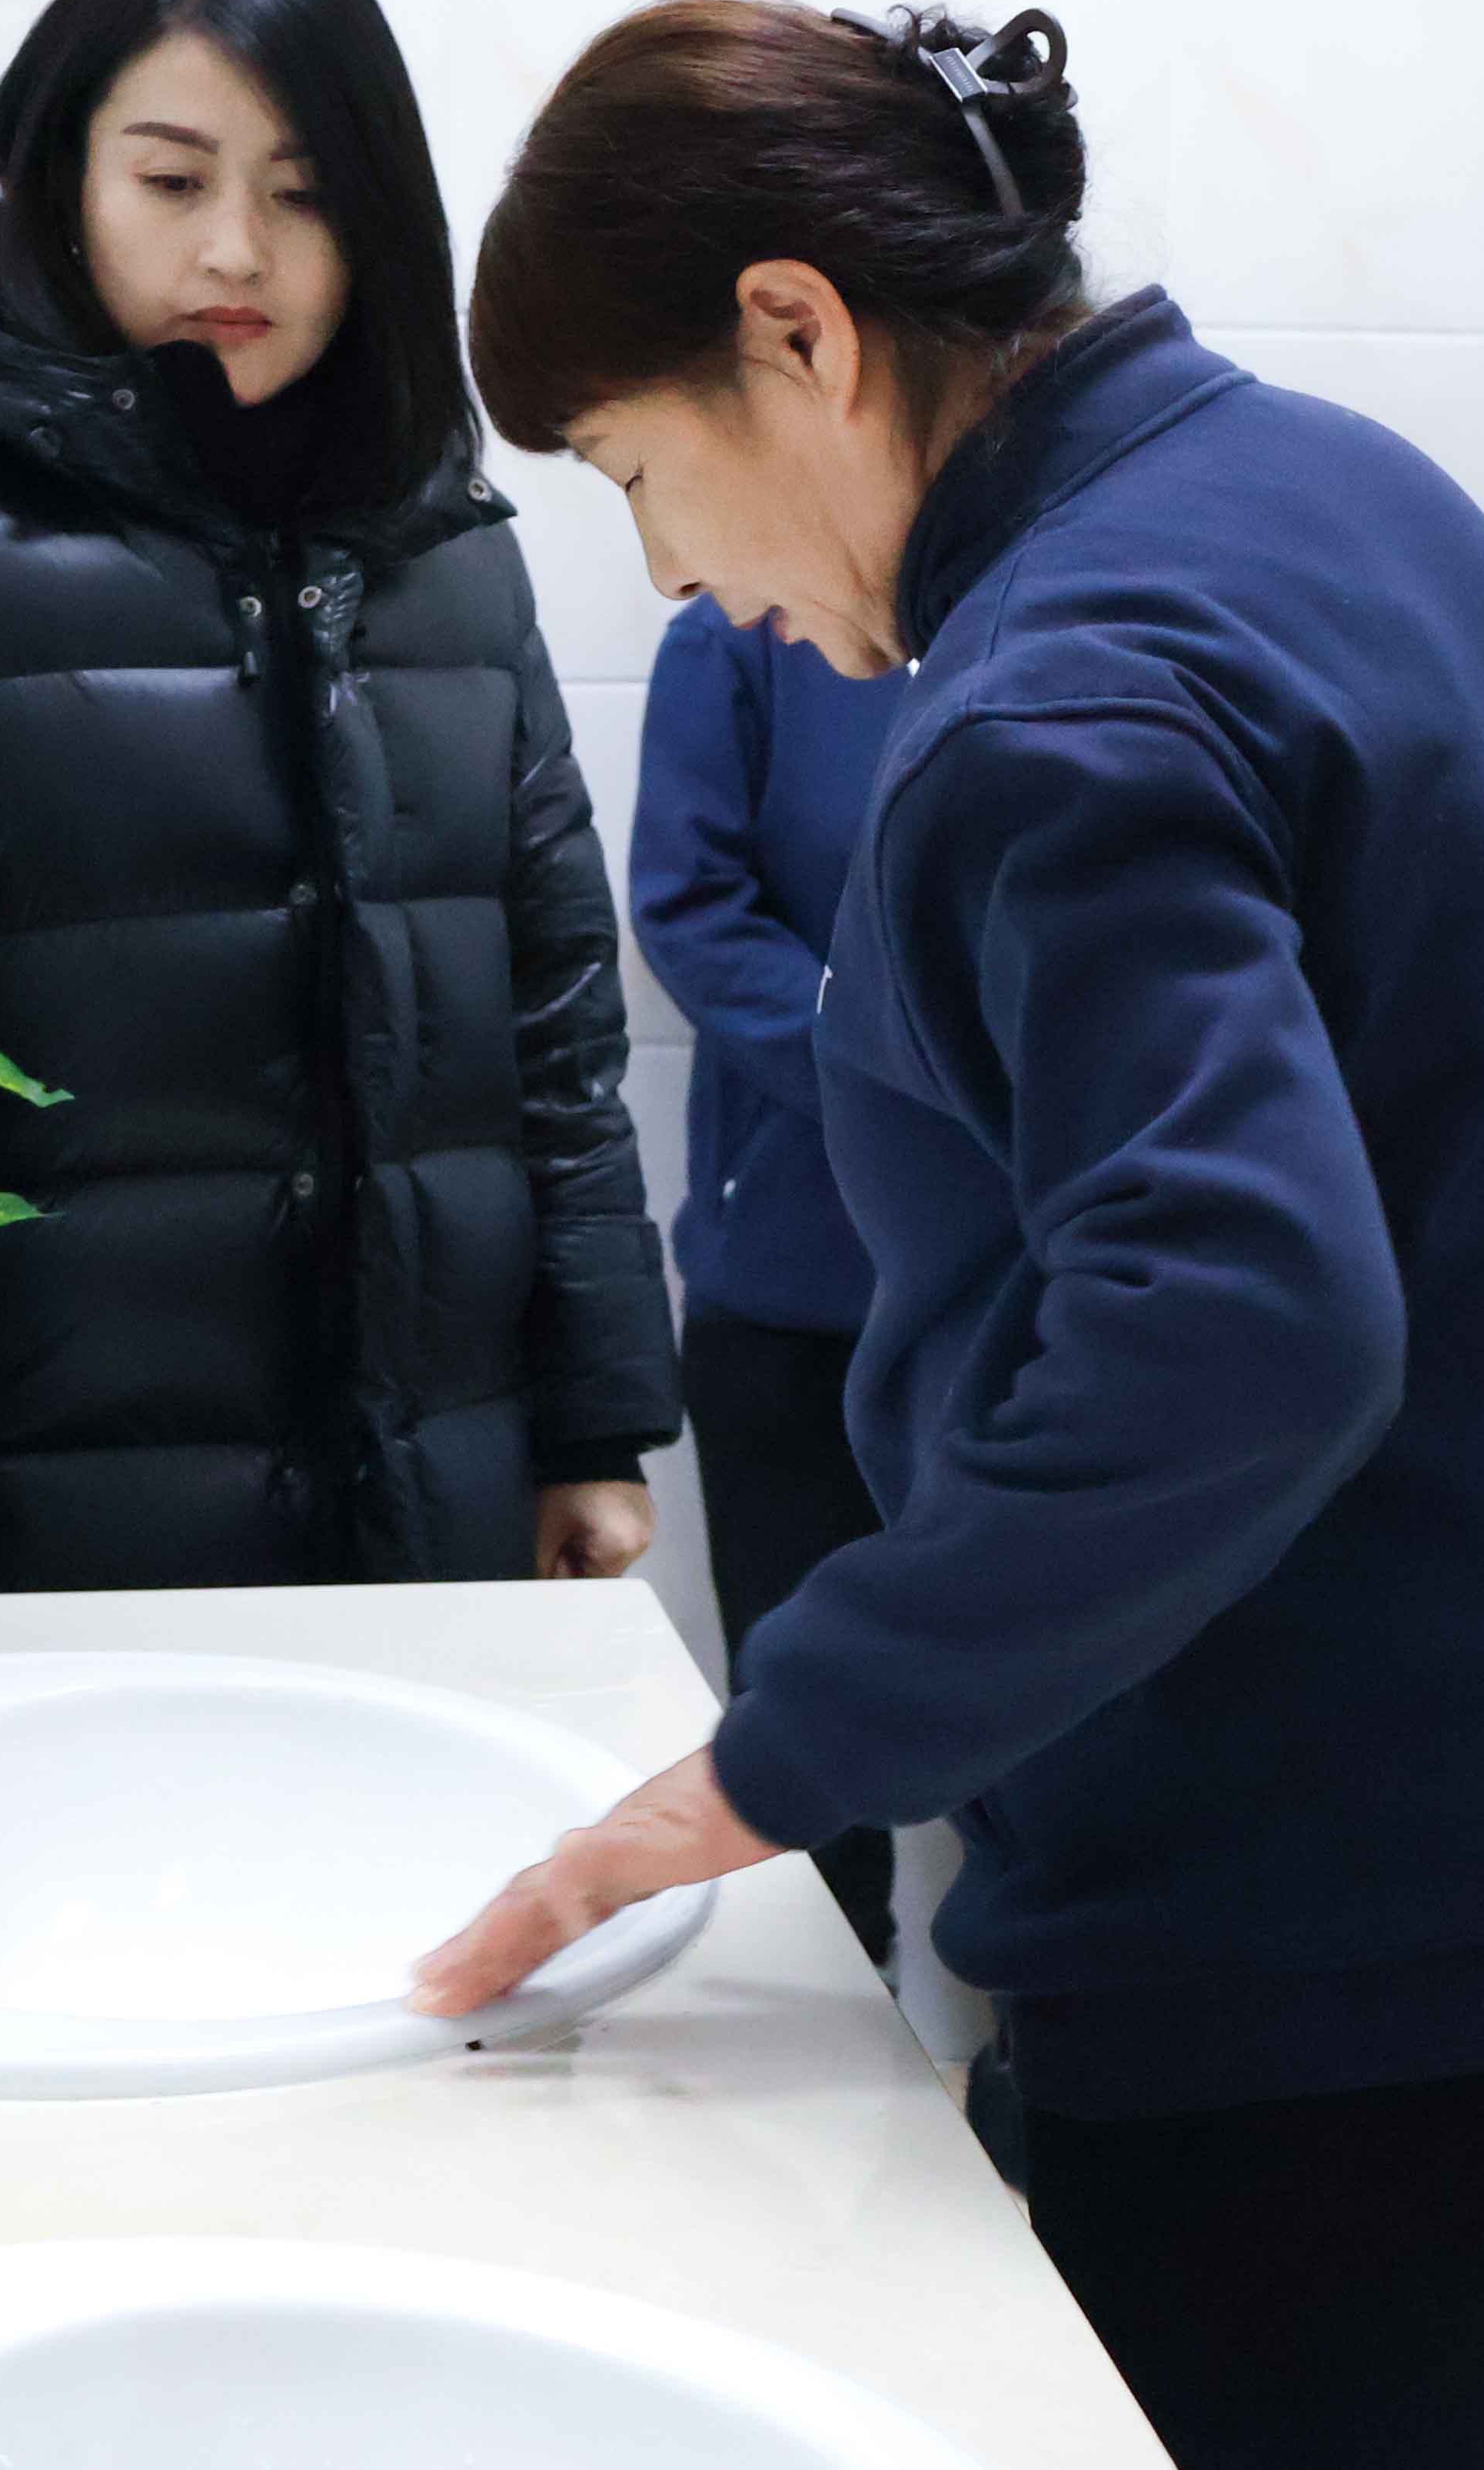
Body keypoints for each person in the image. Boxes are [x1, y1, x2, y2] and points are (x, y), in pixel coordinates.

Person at [411, 0, 1484, 2470]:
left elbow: (1238, 1324)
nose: (681, 575)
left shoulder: (1050, 699)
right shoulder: (1350, 488)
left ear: (798, 334)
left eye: (638, 472)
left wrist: (774, 1754)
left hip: (1334, 1962)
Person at [0, 0, 679, 1594]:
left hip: (429, 1513)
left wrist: (591, 1423)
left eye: (304, 193)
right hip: (47, 1541)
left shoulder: (447, 555)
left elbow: (555, 1033)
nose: (236, 250)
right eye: (170, 179)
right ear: (57, 180)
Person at [631, 598, 913, 1963]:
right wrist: (895, 1068)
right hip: (797, 1290)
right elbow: (689, 903)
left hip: (1034, 1296)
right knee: (806, 1746)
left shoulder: (1051, 607)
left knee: (1068, 1741)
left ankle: (1040, 2072)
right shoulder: (744, 624)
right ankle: (828, 2036)